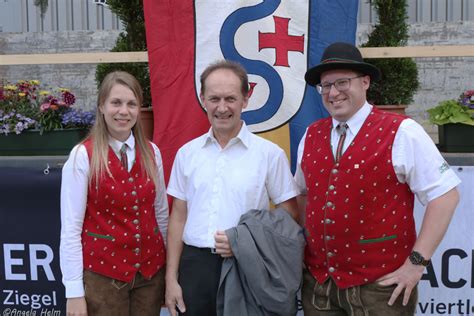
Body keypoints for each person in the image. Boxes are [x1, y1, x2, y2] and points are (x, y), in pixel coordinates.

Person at [294, 42, 461, 315]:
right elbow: (303, 194)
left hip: (380, 289)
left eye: (342, 82)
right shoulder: (311, 134)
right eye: (326, 86)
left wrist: (416, 264)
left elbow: (446, 195)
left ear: (365, 82)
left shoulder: (402, 131)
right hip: (320, 286)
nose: (333, 92)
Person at [165, 60, 300, 316]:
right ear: (203, 99)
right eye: (214, 98)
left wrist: (244, 240)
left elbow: (291, 217)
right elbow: (178, 217)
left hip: (247, 265)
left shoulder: (269, 155)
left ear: (245, 100)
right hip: (194, 269)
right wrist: (171, 279)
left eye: (231, 98)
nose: (222, 107)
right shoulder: (187, 154)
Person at [60, 71, 168, 316]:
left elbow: (161, 214)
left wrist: (169, 272)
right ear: (101, 106)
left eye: (131, 104)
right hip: (102, 278)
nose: (123, 111)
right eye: (116, 103)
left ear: (140, 109)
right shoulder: (82, 156)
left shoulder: (152, 152)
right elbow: (70, 229)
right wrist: (74, 292)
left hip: (150, 276)